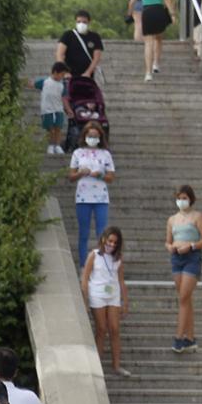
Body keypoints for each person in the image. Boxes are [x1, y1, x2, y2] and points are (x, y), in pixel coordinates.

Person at [166, 185, 202, 353]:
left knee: (184, 297)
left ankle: (179, 337)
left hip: (192, 257)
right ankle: (191, 337)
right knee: (185, 298)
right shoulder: (172, 219)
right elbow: (168, 240)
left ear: (190, 199)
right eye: (179, 198)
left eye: (184, 198)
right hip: (177, 257)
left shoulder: (197, 216)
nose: (181, 201)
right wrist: (170, 247)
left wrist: (191, 246)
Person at [82, 226, 129, 375]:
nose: (112, 245)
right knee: (101, 329)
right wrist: (85, 299)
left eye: (115, 243)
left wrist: (125, 301)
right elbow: (85, 278)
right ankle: (97, 365)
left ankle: (116, 365)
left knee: (114, 329)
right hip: (97, 294)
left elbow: (121, 280)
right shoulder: (94, 255)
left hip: (113, 295)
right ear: (104, 240)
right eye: (110, 241)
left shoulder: (118, 258)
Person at [68, 123, 116, 268]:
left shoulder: (105, 154)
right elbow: (71, 176)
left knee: (102, 232)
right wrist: (80, 173)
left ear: (100, 137)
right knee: (84, 233)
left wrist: (100, 175)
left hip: (101, 198)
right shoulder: (78, 153)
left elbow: (111, 177)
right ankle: (84, 265)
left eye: (95, 136)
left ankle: (102, 263)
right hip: (83, 197)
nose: (92, 139)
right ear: (84, 136)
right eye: (90, 136)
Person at [59, 8, 104, 80]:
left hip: (87, 76)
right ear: (75, 22)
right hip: (69, 76)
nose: (81, 24)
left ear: (89, 22)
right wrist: (65, 72)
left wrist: (88, 72)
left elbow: (96, 57)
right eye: (79, 22)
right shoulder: (68, 35)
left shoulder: (95, 37)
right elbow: (60, 54)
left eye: (84, 22)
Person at [36, 60, 70, 154]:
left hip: (58, 110)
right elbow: (33, 84)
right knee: (50, 129)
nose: (62, 77)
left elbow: (64, 98)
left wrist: (68, 109)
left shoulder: (62, 85)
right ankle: (51, 145)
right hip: (47, 110)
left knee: (58, 128)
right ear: (55, 72)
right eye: (62, 75)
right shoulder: (45, 82)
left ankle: (57, 146)